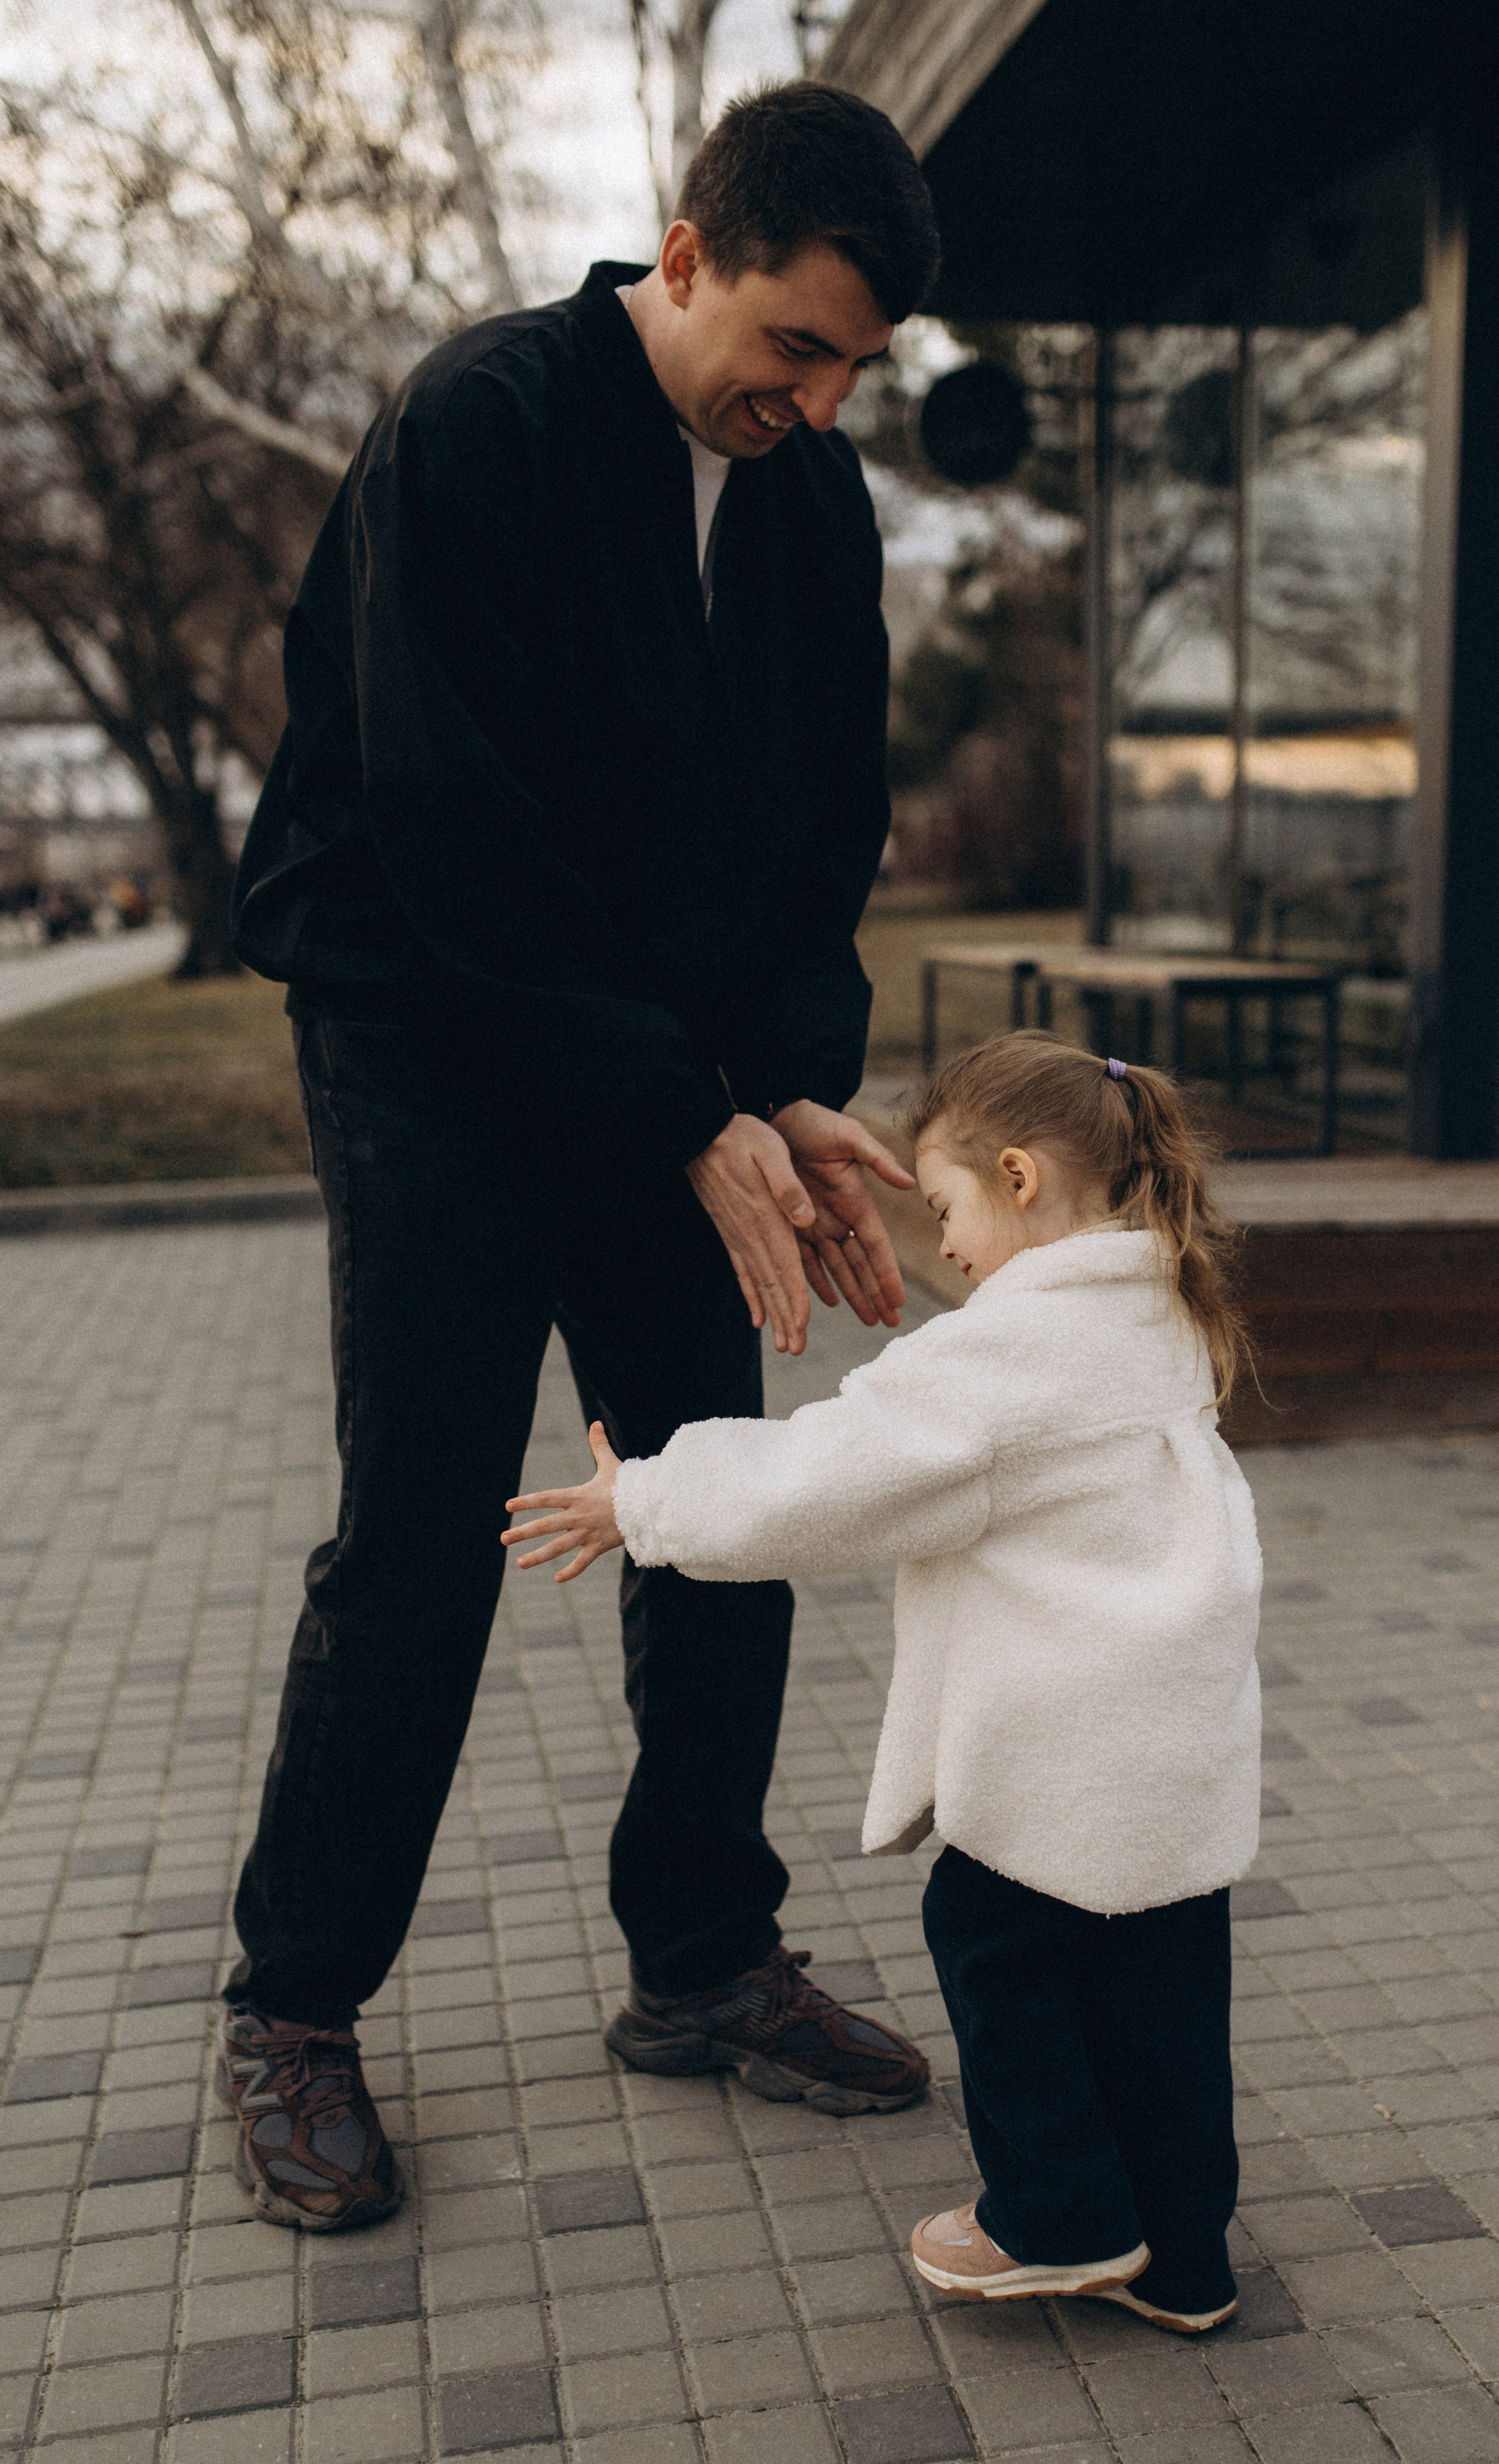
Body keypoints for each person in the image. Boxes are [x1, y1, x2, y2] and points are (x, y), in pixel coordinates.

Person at [218, 82, 943, 2232]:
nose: (810, 402)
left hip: (666, 1058)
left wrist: (791, 1078)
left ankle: (704, 1958)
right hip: (424, 1030)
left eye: (851, 373)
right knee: (429, 1531)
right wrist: (684, 1107)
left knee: (712, 1500)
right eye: (791, 348)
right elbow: (454, 833)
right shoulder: (488, 424)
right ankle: (295, 2004)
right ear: (687, 251)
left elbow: (822, 825)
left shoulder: (811, 509)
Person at [506, 1030, 1264, 2329]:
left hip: (1056, 1762)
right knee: (1161, 1999)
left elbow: (827, 1478)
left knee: (993, 1947)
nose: (947, 1245)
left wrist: (641, 1495)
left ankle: (1057, 2217)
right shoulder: (1165, 1305)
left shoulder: (1004, 1359)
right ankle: (1183, 2259)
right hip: (1171, 1757)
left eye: (953, 1205)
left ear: (1018, 1177)